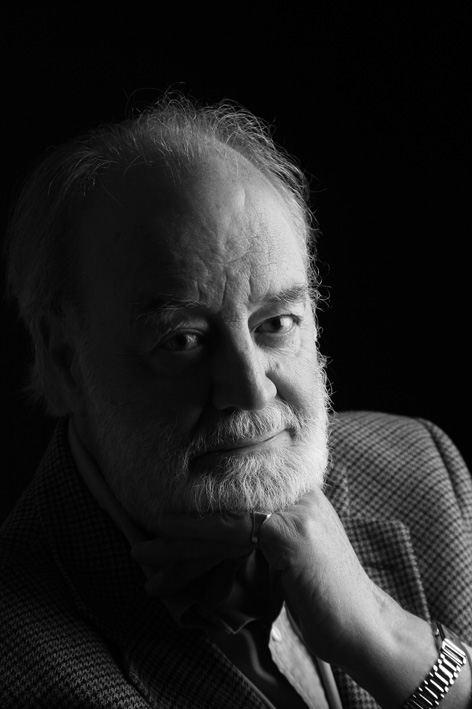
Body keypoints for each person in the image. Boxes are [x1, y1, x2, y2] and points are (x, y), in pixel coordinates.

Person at [1, 95, 471, 709]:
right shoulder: (18, 663)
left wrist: (388, 639)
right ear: (63, 362)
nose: (250, 390)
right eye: (183, 340)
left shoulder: (426, 472)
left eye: (276, 323)